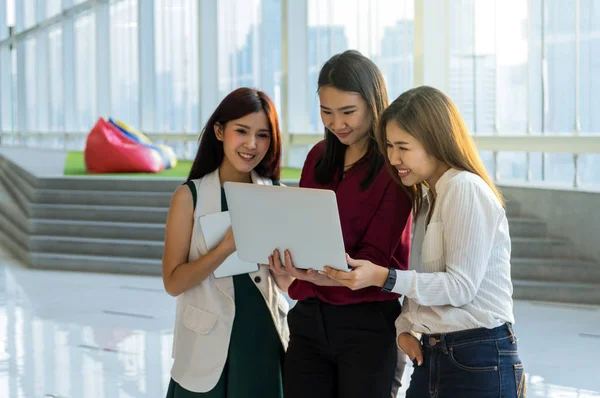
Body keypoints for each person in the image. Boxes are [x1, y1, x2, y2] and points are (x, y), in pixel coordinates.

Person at [325, 86, 526, 398]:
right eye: (389, 146)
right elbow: (425, 279)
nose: (392, 158)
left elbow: (460, 287)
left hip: (478, 355)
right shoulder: (427, 197)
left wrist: (383, 276)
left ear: (435, 142)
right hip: (436, 353)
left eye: (402, 147)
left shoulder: (464, 188)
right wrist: (404, 326)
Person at [269, 50, 413, 398]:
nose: (337, 123)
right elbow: (303, 231)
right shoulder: (318, 157)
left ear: (373, 103)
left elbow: (374, 256)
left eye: (348, 112)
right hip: (308, 317)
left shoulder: (394, 166)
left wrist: (321, 274)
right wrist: (289, 262)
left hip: (367, 322)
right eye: (326, 112)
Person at [162, 88, 292, 397]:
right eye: (242, 131)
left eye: (262, 135)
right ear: (220, 131)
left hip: (262, 339)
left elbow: (286, 284)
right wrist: (225, 248)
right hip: (205, 346)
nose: (251, 145)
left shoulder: (277, 194)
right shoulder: (188, 197)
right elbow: (173, 282)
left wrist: (287, 267)